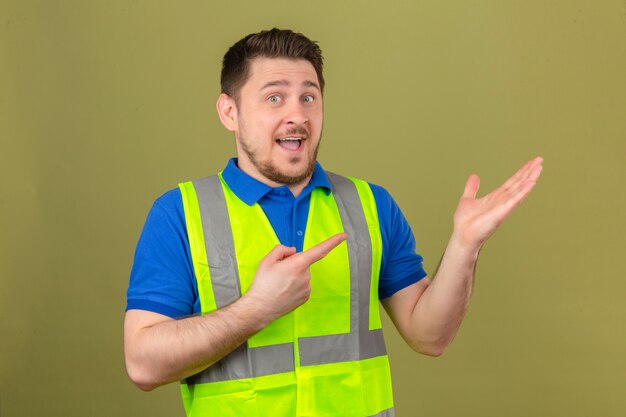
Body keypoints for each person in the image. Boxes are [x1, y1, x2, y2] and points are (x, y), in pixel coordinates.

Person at [124, 28, 543, 416]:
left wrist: (465, 245)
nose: (297, 115)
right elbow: (143, 364)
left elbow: (429, 335)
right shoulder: (180, 213)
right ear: (229, 112)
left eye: (309, 97)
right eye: (274, 98)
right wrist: (256, 309)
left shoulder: (370, 205)